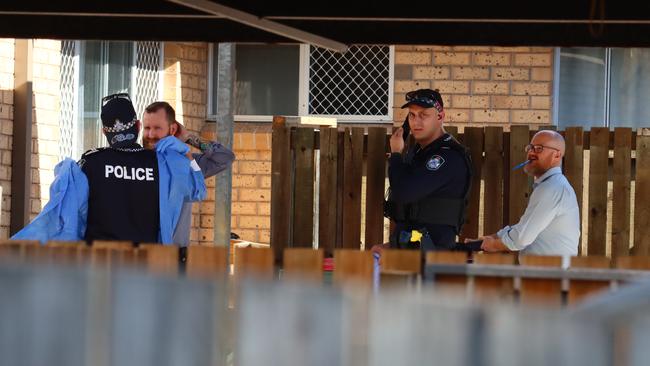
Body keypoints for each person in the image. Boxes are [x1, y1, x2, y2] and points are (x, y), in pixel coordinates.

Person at [12, 93, 206, 244]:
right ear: (138, 126)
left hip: (98, 272)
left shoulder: (89, 165)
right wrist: (187, 153)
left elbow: (63, 219)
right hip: (146, 273)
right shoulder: (163, 165)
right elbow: (197, 191)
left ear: (104, 131)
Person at [382, 88, 472, 253]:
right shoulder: (419, 152)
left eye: (423, 115)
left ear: (440, 117)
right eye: (412, 115)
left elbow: (404, 192)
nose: (416, 122)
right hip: (411, 250)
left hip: (431, 257)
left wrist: (395, 155)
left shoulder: (446, 156)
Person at [467, 130, 580, 257]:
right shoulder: (550, 185)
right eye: (530, 147)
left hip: (550, 275)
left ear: (557, 155)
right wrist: (491, 238)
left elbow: (521, 238)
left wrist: (490, 244)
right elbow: (525, 227)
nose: (531, 152)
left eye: (539, 148)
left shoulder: (552, 188)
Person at [142, 101, 235, 247]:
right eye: (147, 128)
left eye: (157, 128)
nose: (151, 134)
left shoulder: (187, 164)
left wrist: (188, 137)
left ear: (172, 129)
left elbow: (224, 157)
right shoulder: (134, 161)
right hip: (139, 257)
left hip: (175, 257)